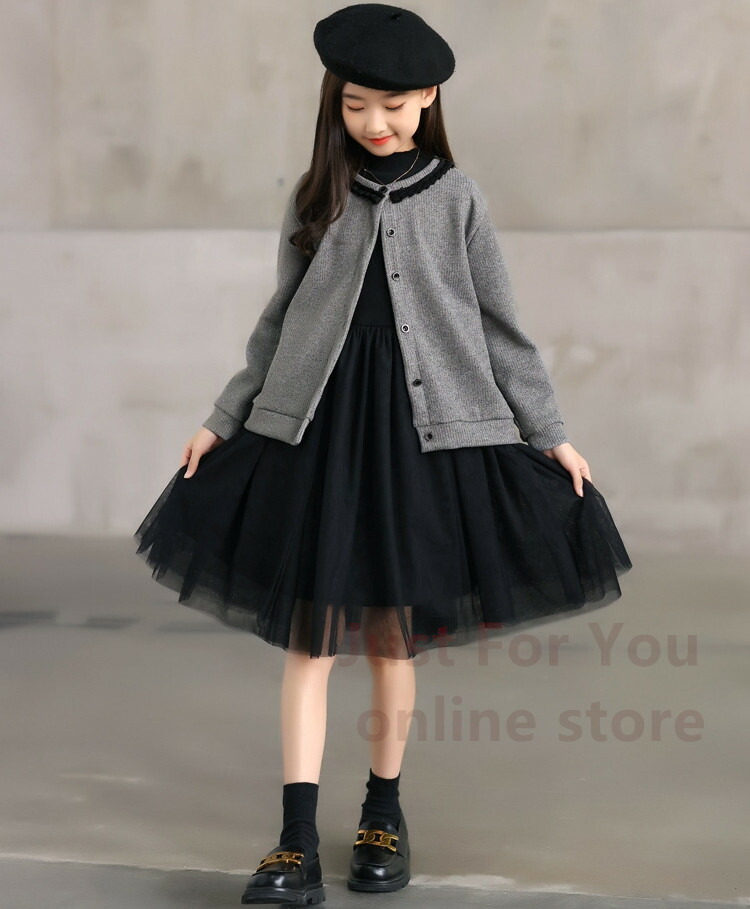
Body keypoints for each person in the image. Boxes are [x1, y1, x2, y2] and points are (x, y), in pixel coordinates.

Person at [134, 3, 633, 904]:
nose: (375, 123)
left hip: (420, 438)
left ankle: (382, 811)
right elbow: (279, 325)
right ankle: (293, 840)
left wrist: (549, 432)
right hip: (320, 434)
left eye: (394, 106)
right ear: (335, 102)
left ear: (430, 97)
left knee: (392, 637)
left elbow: (501, 327)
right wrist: (224, 415)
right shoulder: (316, 196)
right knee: (309, 640)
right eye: (356, 104)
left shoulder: (458, 197)